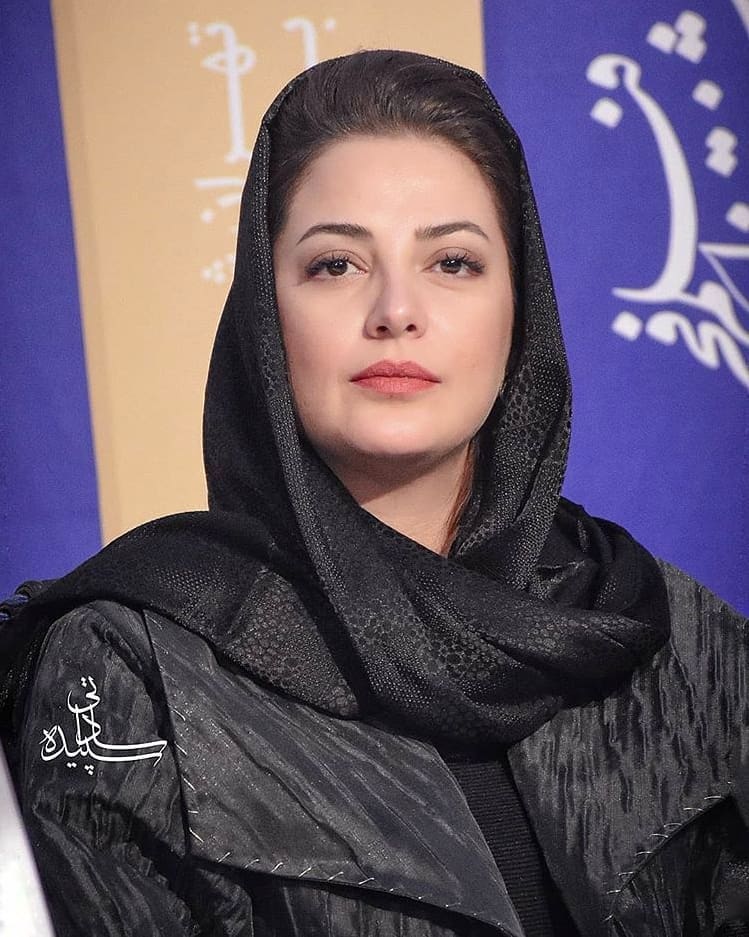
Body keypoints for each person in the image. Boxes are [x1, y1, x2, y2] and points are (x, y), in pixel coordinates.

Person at [2, 50, 748, 937]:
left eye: (453, 262)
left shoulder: (669, 633)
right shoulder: (129, 668)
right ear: (263, 318)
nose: (396, 308)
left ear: (521, 312)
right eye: (336, 265)